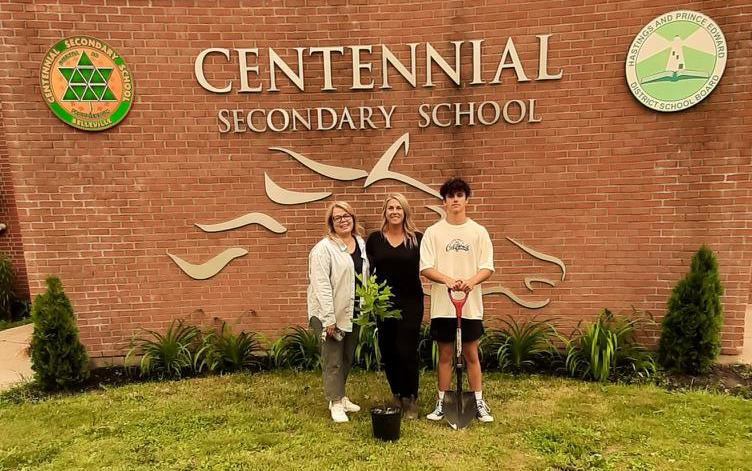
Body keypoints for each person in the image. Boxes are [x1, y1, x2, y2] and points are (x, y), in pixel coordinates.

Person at [419, 177, 495, 423]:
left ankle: (478, 402)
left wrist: (471, 281)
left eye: (459, 195)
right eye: (450, 196)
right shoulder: (433, 233)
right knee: (445, 354)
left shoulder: (478, 232)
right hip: (444, 305)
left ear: (466, 200)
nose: (455, 200)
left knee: (471, 354)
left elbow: (487, 267)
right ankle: (442, 402)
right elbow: (426, 267)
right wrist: (448, 280)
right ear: (444, 201)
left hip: (469, 307)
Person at [307, 201, 369, 423]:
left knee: (346, 356)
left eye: (346, 216)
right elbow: (321, 284)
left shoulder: (360, 243)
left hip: (352, 310)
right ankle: (334, 403)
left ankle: (340, 396)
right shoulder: (324, 248)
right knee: (332, 358)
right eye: (337, 218)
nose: (343, 220)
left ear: (353, 218)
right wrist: (328, 319)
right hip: (328, 313)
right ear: (331, 223)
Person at [366, 193, 424, 419]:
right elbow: (365, 270)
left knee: (406, 349)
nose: (394, 212)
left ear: (405, 212)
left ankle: (410, 398)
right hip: (384, 303)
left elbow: (430, 264)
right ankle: (396, 393)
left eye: (399, 208)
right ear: (385, 212)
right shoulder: (375, 239)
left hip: (411, 301)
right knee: (389, 350)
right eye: (390, 208)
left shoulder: (417, 239)